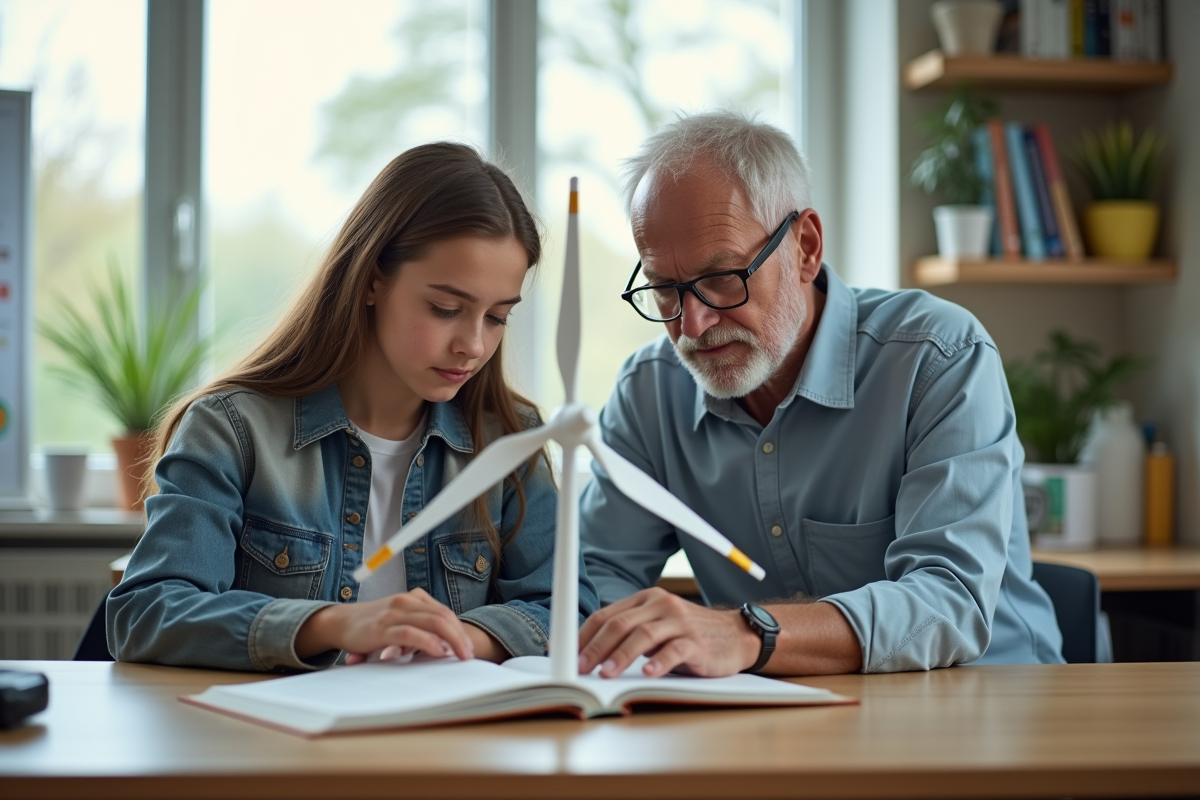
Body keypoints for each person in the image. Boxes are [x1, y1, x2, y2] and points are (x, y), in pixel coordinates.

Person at [578, 111, 1063, 679]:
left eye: (723, 278)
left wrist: (744, 633)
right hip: (780, 718)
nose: (693, 324)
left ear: (805, 247)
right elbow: (594, 574)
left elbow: (947, 602)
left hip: (987, 705)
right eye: (665, 291)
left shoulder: (938, 357)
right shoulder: (648, 392)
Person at [109, 143, 599, 671]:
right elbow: (146, 611)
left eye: (497, 317)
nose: (473, 345)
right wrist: (330, 624)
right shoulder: (230, 430)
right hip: (277, 744)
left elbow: (570, 610)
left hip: (453, 745)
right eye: (446, 309)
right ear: (371, 280)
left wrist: (447, 639)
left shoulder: (509, 439)